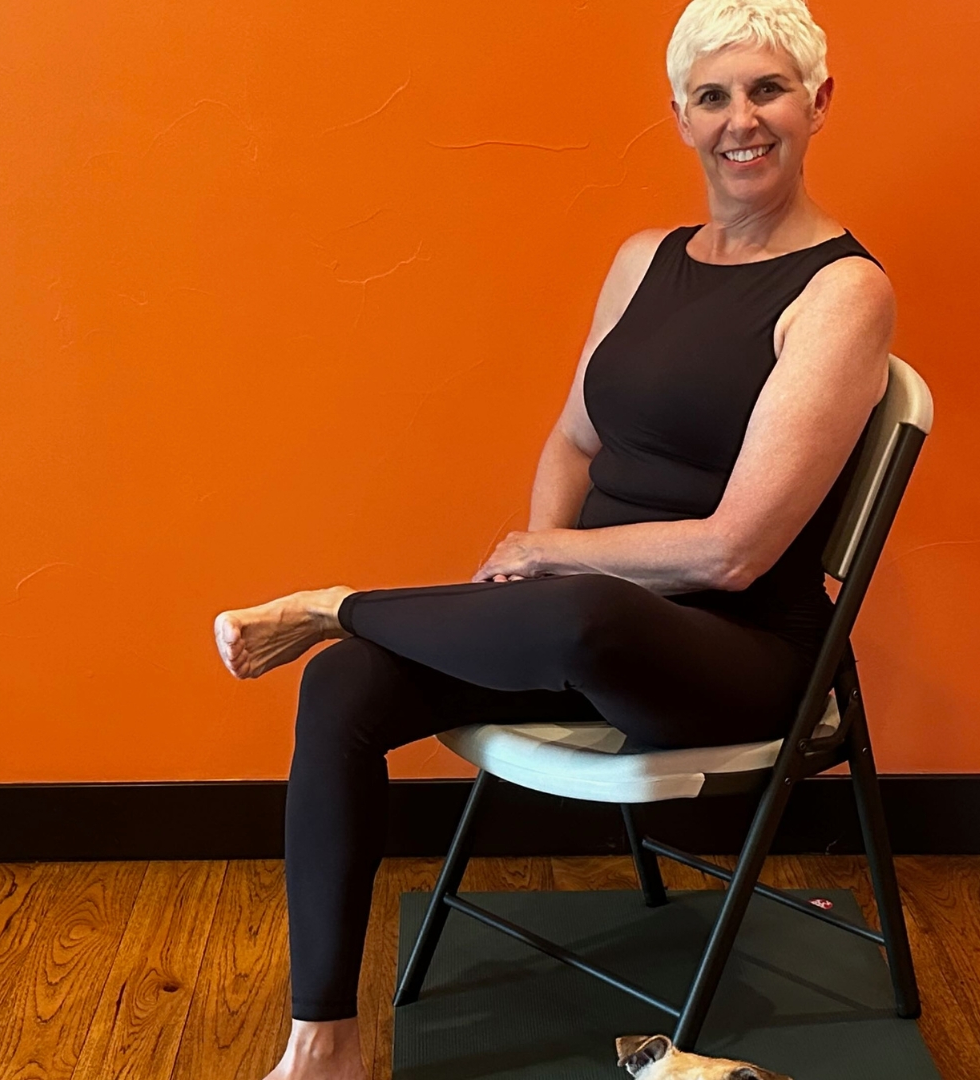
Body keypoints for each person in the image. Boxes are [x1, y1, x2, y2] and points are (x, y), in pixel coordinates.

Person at [213, 1, 893, 1076]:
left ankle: (332, 598)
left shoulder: (844, 293)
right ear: (680, 117)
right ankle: (321, 1044)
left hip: (736, 654)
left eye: (767, 89)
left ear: (818, 103)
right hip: (586, 629)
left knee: (575, 611)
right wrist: (542, 556)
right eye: (713, 97)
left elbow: (734, 553)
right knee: (343, 689)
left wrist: (552, 562)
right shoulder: (643, 260)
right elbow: (573, 440)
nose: (741, 120)